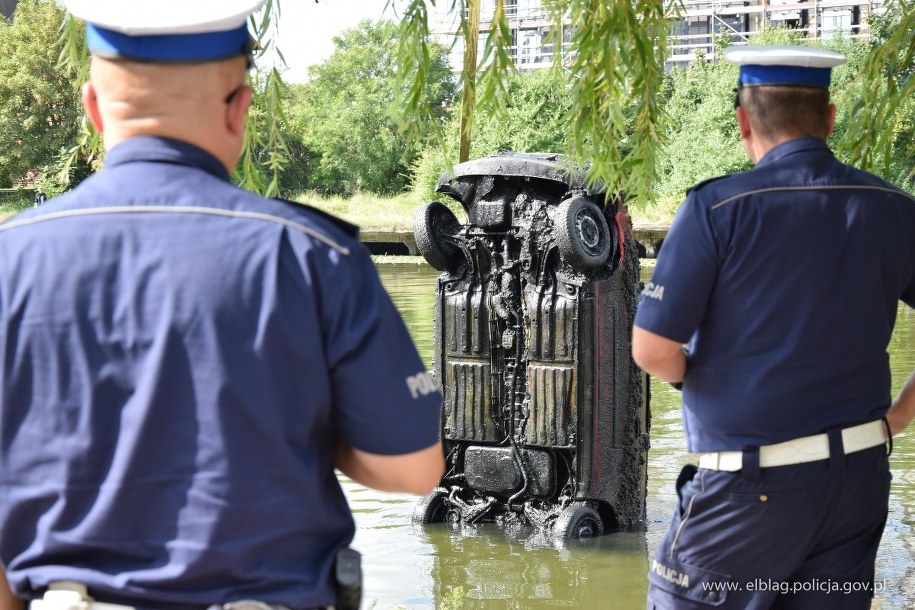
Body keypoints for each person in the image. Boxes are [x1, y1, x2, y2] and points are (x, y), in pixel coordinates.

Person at [0, 2, 445, 610]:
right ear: (239, 108)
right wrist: (308, 427)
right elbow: (413, 469)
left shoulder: (9, 259)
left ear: (94, 108)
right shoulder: (314, 256)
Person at [633, 45, 915, 610]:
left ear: (743, 121)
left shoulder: (716, 209)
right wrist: (901, 414)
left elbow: (652, 348)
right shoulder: (894, 208)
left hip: (750, 489)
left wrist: (693, 378)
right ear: (829, 118)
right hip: (857, 485)